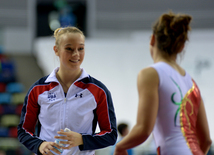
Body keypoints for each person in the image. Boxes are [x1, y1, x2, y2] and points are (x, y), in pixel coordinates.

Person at [114, 11, 212, 155]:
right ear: (181, 47)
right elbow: (206, 141)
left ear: (152, 40)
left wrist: (120, 146)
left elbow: (143, 129)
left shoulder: (150, 74)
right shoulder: (192, 83)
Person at [17, 26, 117, 155]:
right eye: (69, 49)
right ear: (56, 50)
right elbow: (24, 130)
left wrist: (82, 139)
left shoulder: (98, 91)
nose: (76, 54)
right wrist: (40, 145)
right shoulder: (38, 89)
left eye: (80, 48)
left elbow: (111, 134)